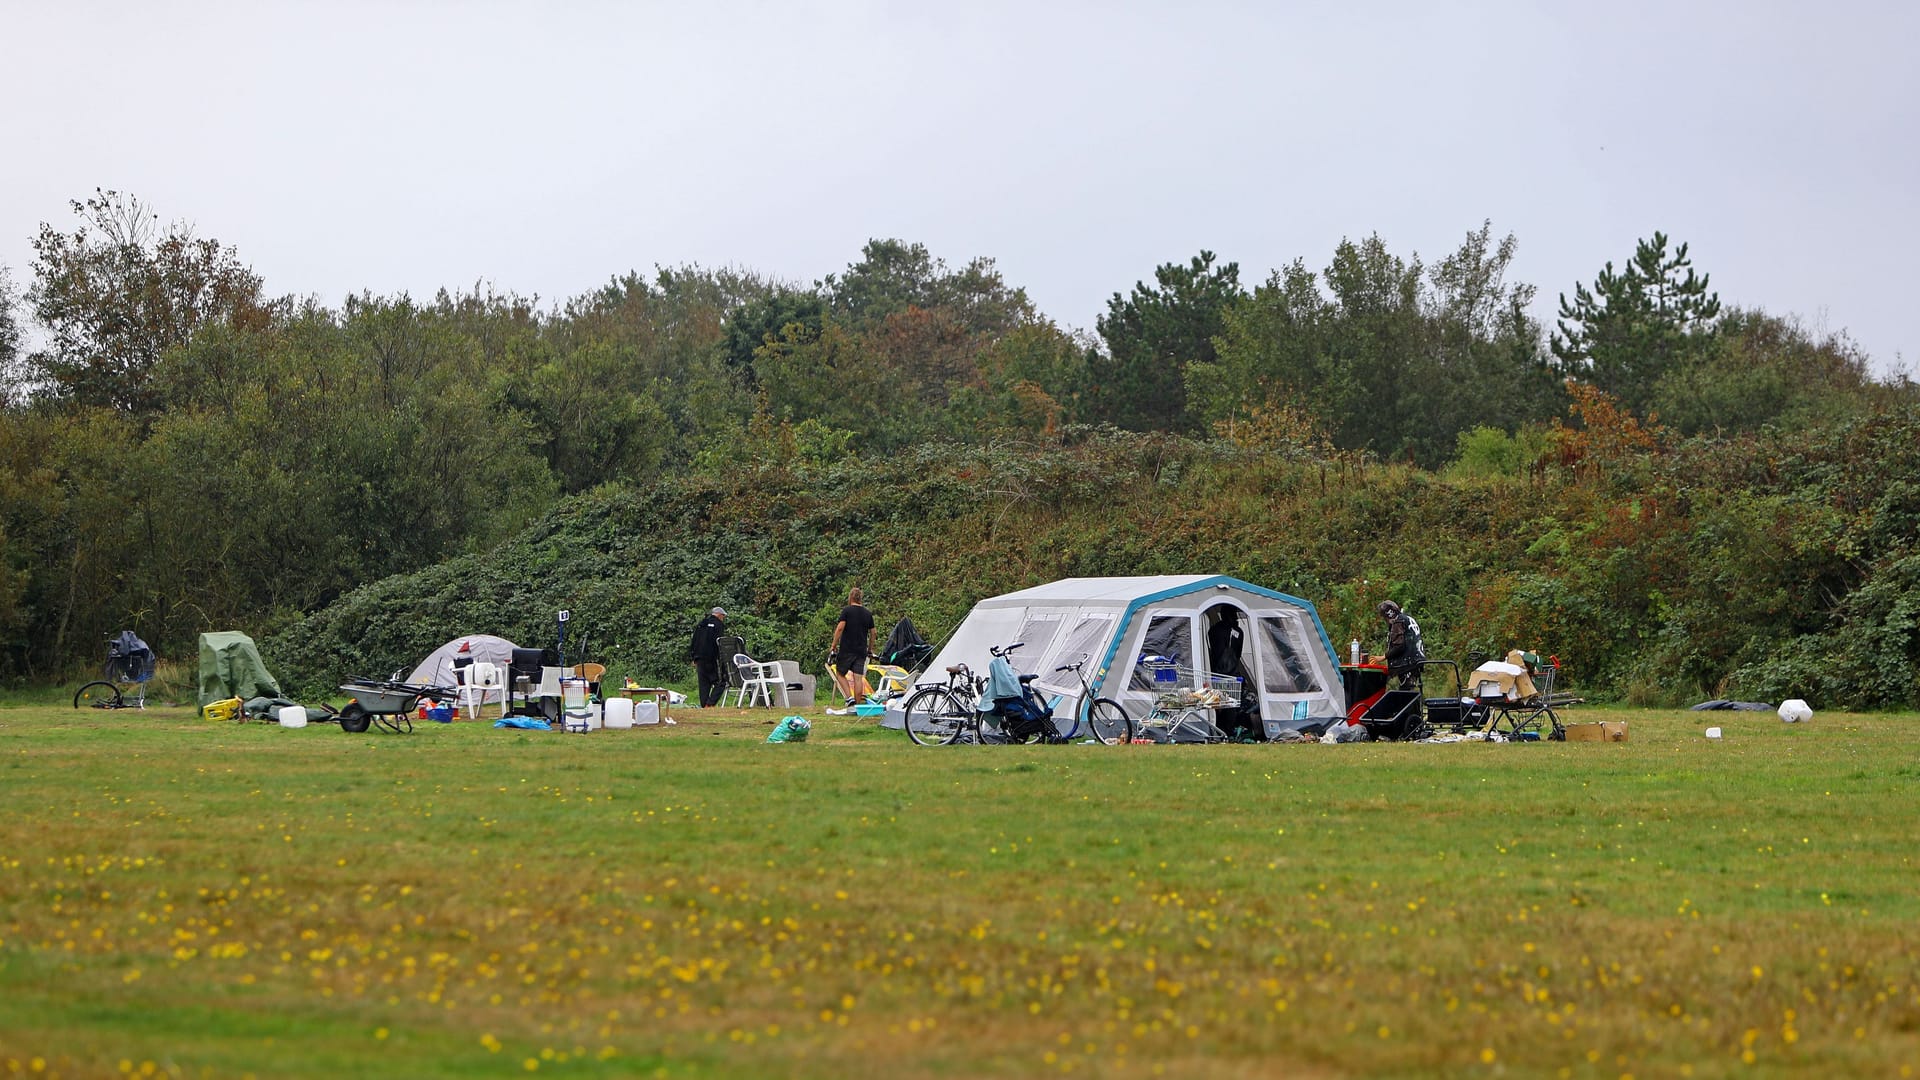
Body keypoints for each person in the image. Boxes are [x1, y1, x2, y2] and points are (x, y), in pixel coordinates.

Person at [829, 587, 875, 707]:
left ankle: (849, 698)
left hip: (847, 649)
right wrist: (870, 649)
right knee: (858, 678)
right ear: (861, 598)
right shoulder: (867, 613)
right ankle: (858, 705)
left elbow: (840, 628)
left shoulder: (847, 611)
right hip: (861, 651)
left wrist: (834, 645)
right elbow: (873, 633)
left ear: (850, 597)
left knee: (840, 673)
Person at [1378, 600, 1426, 689]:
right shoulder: (1408, 619)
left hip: (1407, 664)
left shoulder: (1398, 621)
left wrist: (1384, 656)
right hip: (1416, 660)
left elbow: (1399, 646)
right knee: (1409, 692)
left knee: (1405, 694)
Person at [687, 607, 728, 707]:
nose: (723, 618)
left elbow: (694, 640)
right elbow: (719, 642)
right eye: (723, 616)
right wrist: (721, 658)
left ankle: (704, 704)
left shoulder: (702, 623)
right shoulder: (718, 625)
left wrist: (693, 657)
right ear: (719, 615)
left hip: (699, 658)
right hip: (711, 658)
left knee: (704, 684)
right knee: (721, 681)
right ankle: (710, 704)